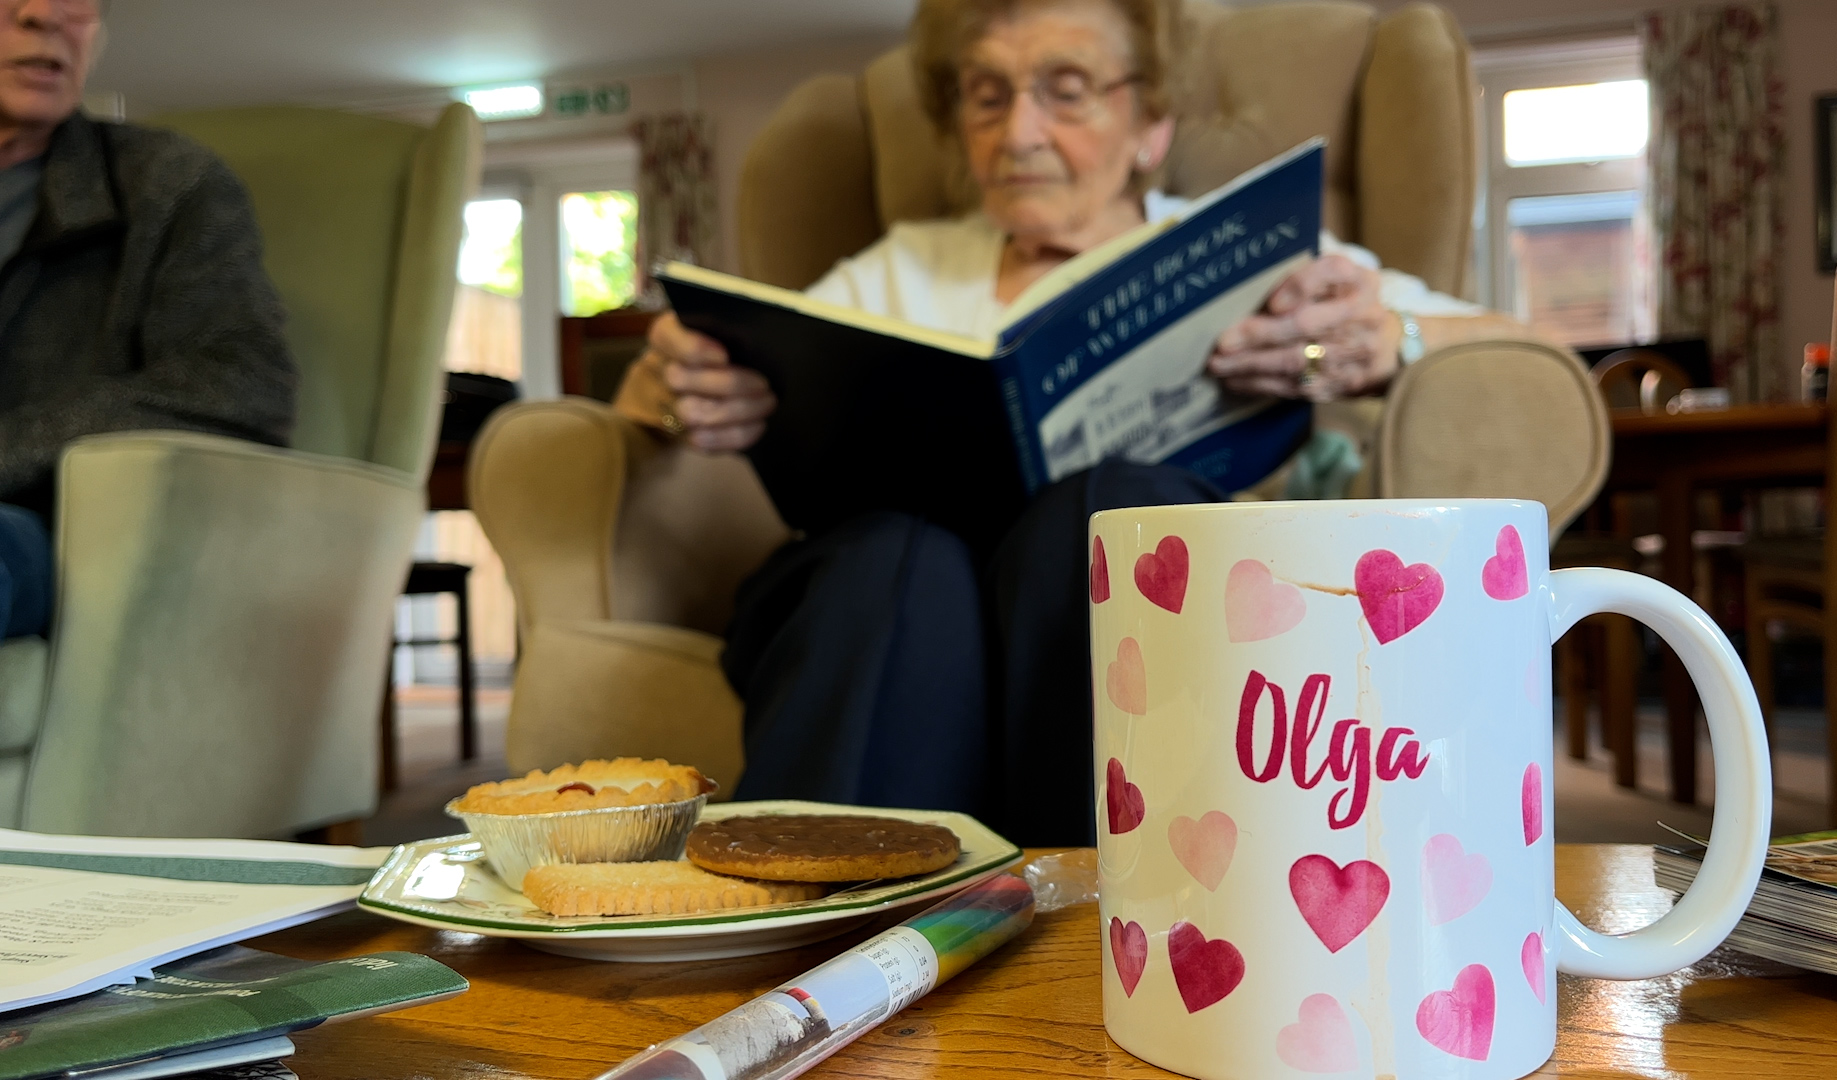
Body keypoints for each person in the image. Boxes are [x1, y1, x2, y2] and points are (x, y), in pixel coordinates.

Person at [624, 0, 1520, 844]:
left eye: (1067, 89)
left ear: (1150, 125)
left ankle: (1112, 914)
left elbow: (1519, 350)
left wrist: (1390, 337)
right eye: (988, 95)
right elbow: (658, 394)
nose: (1019, 133)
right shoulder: (897, 271)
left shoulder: (1243, 255)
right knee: (897, 558)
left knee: (1105, 518)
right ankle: (815, 921)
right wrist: (679, 382)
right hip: (892, 612)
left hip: (1120, 581)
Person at [0, 0, 299, 640]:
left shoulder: (167, 185)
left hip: (44, 528)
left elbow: (242, 383)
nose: (44, 13)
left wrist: (15, 447)